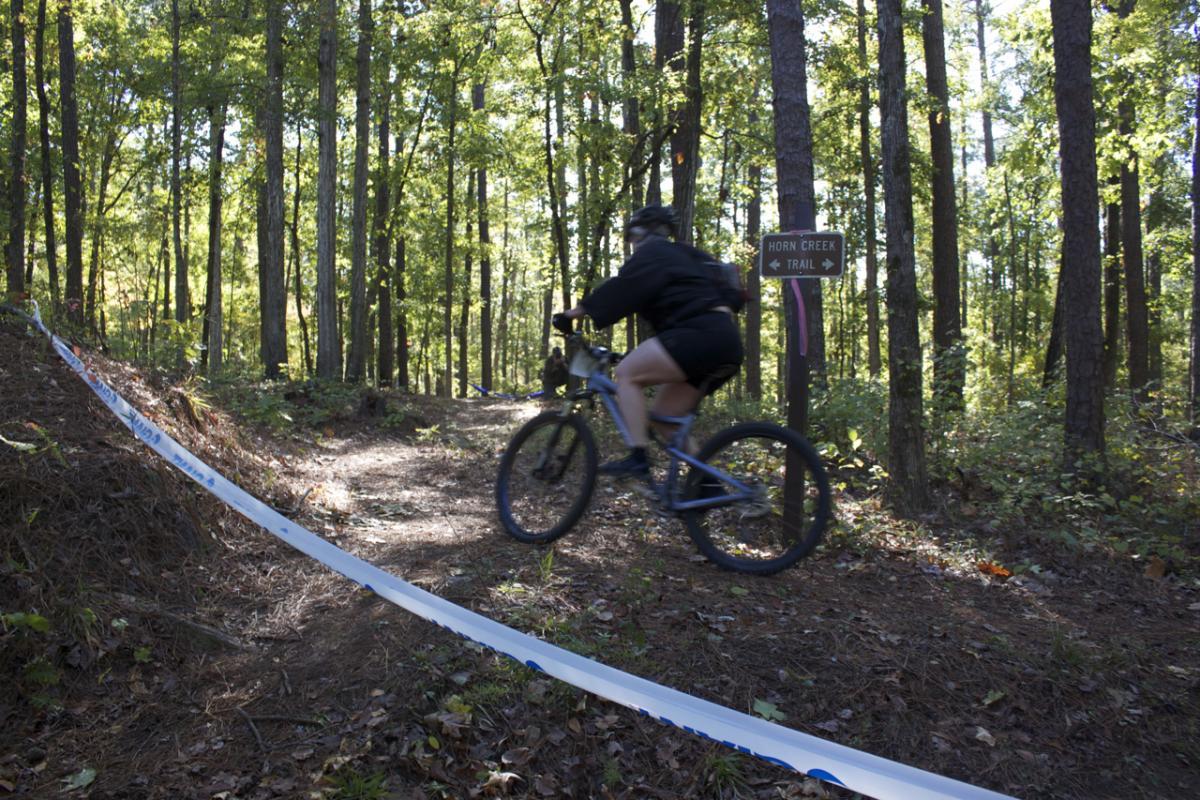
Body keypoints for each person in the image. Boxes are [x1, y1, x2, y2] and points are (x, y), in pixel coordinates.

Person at [554, 204, 744, 478]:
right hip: (724, 342)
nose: (632, 243)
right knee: (664, 418)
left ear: (642, 232)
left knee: (626, 374)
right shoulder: (685, 255)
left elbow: (622, 288)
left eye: (632, 236)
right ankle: (708, 484)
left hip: (699, 334)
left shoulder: (654, 252)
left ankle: (638, 458)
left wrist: (571, 314)